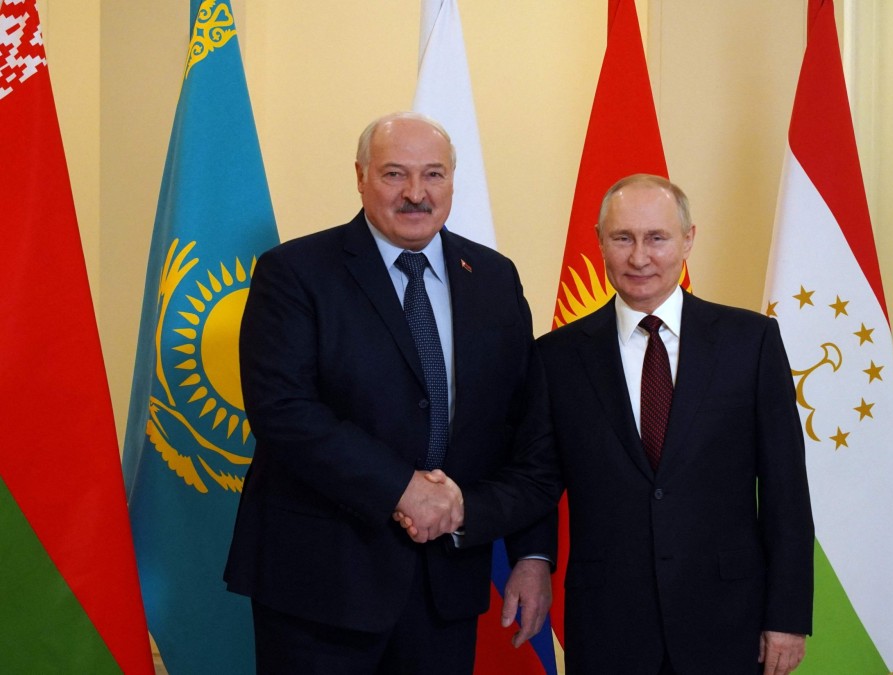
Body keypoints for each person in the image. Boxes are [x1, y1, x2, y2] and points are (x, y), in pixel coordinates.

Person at [407, 174, 814, 674]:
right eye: (623, 238)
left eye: (657, 238)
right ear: (599, 241)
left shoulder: (750, 343)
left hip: (727, 623)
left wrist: (788, 618)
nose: (639, 257)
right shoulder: (557, 357)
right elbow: (536, 478)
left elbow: (786, 493)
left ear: (688, 239)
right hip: (609, 627)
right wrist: (485, 525)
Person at [224, 111, 559, 674]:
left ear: (453, 180)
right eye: (394, 175)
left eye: (432, 175)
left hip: (446, 587)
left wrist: (531, 553)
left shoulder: (495, 279)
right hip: (320, 585)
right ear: (360, 176)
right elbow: (283, 412)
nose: (415, 194)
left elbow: (526, 430)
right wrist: (401, 489)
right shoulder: (296, 272)